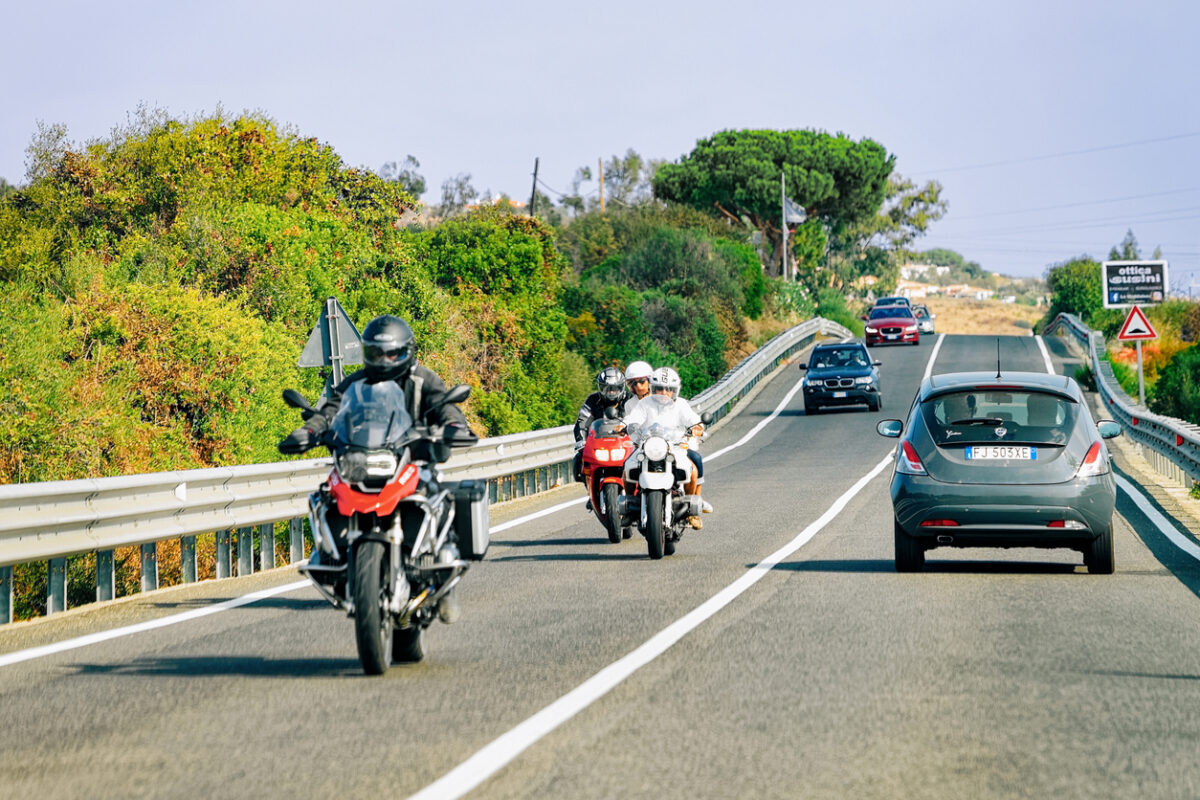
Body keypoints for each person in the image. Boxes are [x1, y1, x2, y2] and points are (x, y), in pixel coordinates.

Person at [278, 314, 475, 621]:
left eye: (392, 353)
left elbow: (444, 406)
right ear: (366, 352)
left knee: (440, 499)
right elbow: (332, 409)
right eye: (376, 353)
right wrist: (310, 431)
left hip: (413, 459)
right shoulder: (357, 383)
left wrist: (453, 425)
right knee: (326, 496)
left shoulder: (423, 380)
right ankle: (333, 556)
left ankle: (445, 581)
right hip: (362, 459)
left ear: (407, 351)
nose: (384, 360)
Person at [623, 367, 709, 529]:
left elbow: (693, 419)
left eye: (668, 389)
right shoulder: (644, 403)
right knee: (628, 467)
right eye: (659, 389)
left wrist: (698, 427)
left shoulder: (681, 404)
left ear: (674, 391)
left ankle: (691, 510)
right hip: (648, 446)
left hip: (674, 447)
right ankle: (628, 506)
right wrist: (624, 425)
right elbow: (633, 418)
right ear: (653, 389)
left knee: (692, 470)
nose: (664, 392)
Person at [572, 367, 629, 483]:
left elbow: (640, 419)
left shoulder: (629, 400)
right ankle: (590, 489)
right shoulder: (592, 400)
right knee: (580, 460)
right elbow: (582, 421)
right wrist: (581, 441)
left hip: (626, 445)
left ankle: (638, 496)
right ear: (600, 387)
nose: (611, 392)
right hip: (600, 445)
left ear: (621, 387)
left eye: (615, 388)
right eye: (607, 388)